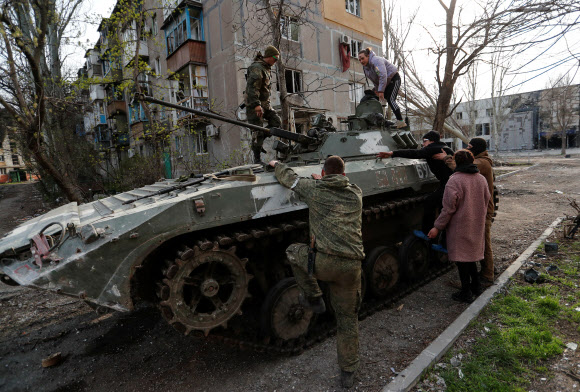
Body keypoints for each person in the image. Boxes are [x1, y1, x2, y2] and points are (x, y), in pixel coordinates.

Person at [269, 156, 364, 388]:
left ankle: (313, 296)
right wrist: (325, 180)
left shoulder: (314, 190)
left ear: (322, 174)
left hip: (323, 265)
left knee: (294, 251)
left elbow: (289, 179)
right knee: (347, 321)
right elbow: (340, 182)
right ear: (343, 174)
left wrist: (276, 164)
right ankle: (348, 372)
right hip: (351, 268)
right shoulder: (355, 193)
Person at [427, 150, 490, 303]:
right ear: (472, 160)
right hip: (476, 223)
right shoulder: (481, 179)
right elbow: (487, 199)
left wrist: (437, 227)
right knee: (471, 258)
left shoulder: (454, 181)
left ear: (457, 162)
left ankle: (466, 293)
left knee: (462, 261)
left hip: (460, 226)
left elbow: (448, 209)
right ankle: (476, 288)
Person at [434, 138, 495, 285]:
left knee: (483, 242)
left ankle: (487, 274)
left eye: (469, 146)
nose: (468, 148)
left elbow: (460, 165)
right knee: (477, 243)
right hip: (479, 207)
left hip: (479, 210)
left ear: (476, 149)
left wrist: (447, 158)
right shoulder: (481, 165)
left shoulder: (481, 163)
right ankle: (479, 276)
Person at [377, 131, 454, 235]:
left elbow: (415, 153)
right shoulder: (446, 148)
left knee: (429, 202)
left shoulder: (433, 148)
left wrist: (392, 153)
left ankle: (427, 232)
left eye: (425, 141)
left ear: (432, 141)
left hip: (448, 183)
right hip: (449, 182)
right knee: (441, 205)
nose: (423, 144)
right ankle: (443, 235)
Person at [246, 45, 282, 163]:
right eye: (275, 58)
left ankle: (261, 136)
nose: (276, 61)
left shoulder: (266, 68)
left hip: (265, 104)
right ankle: (257, 160)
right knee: (257, 130)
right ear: (268, 56)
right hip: (255, 105)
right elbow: (252, 88)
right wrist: (256, 105)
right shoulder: (257, 68)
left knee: (276, 122)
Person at [357, 48, 406, 128]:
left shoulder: (376, 61)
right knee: (374, 98)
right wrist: (377, 90)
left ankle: (400, 121)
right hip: (385, 83)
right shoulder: (366, 68)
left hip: (393, 79)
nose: (361, 61)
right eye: (359, 60)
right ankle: (381, 121)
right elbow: (375, 80)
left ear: (368, 56)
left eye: (362, 58)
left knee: (391, 99)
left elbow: (382, 75)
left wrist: (381, 90)